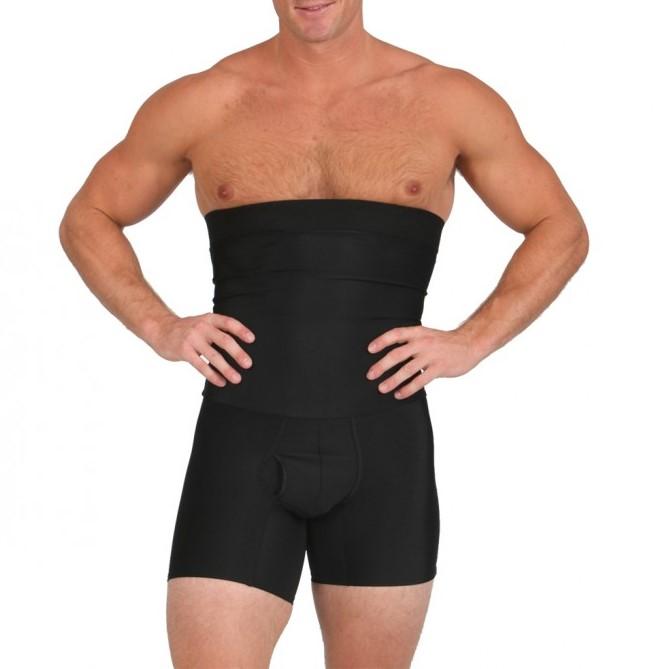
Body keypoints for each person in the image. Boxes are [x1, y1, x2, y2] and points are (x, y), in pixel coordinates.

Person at [59, 1, 589, 667]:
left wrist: (472, 340)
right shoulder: (202, 101)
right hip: (241, 445)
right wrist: (158, 324)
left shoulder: (449, 100)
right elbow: (88, 216)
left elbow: (560, 227)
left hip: (384, 450)